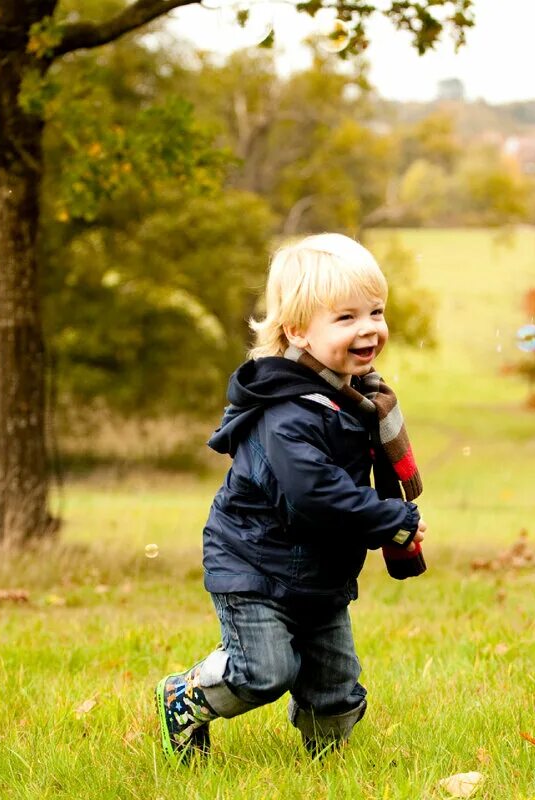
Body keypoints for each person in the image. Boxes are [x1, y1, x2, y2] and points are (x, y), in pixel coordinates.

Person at [154, 233, 428, 762]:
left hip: (319, 568)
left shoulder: (353, 397)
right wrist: (390, 521)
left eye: (375, 310)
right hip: (253, 561)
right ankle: (185, 697)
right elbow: (316, 493)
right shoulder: (287, 410)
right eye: (345, 318)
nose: (368, 327)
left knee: (336, 693)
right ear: (298, 330)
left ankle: (324, 765)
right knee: (262, 673)